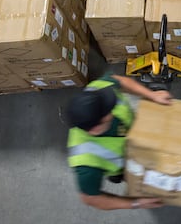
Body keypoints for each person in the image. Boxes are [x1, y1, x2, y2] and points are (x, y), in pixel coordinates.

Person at [66, 73, 172, 210]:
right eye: (107, 113)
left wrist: (152, 95)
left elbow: (120, 81)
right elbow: (91, 198)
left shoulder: (97, 91)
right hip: (125, 166)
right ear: (95, 129)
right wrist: (136, 203)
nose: (112, 107)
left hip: (138, 136)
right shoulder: (86, 164)